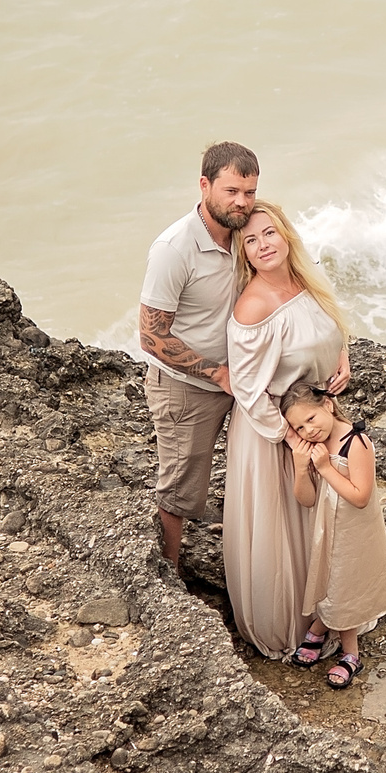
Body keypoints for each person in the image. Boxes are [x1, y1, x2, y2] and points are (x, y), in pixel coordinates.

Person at [221, 200, 350, 659]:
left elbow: (329, 325)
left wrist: (341, 357)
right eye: (250, 241)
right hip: (273, 433)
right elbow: (249, 392)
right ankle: (290, 630)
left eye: (268, 234)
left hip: (313, 418)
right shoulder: (253, 308)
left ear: (286, 234)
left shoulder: (306, 278)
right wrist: (292, 438)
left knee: (325, 523)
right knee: (285, 533)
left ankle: (332, 613)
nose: (262, 246)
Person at [138, 143, 262, 564]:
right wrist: (217, 374)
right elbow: (151, 337)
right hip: (187, 387)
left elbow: (293, 280)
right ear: (205, 185)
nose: (241, 202)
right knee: (182, 489)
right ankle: (168, 578)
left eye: (249, 192)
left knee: (261, 473)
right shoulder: (174, 249)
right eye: (231, 191)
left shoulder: (249, 231)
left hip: (243, 376)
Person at [282, 384, 386, 689]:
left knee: (345, 586)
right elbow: (306, 499)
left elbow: (360, 497)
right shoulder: (310, 447)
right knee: (329, 581)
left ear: (329, 405)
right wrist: (301, 467)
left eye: (311, 418)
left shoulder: (356, 443)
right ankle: (320, 625)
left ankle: (351, 654)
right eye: (299, 426)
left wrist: (324, 467)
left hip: (354, 530)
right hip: (325, 528)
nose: (308, 429)